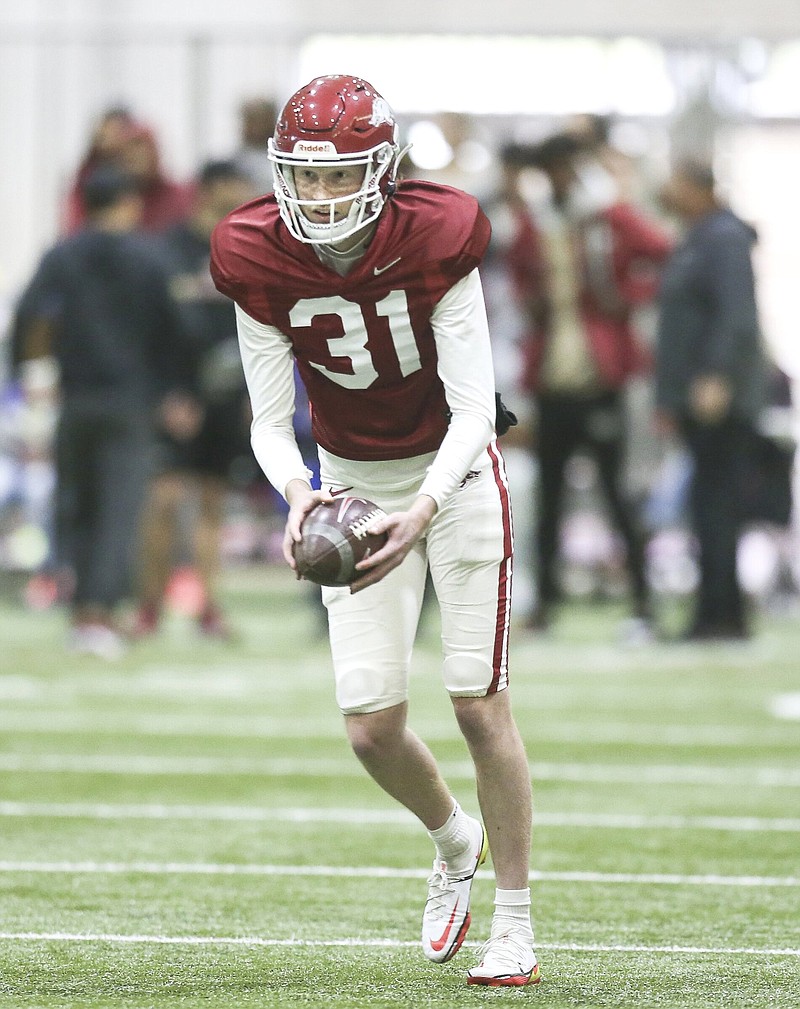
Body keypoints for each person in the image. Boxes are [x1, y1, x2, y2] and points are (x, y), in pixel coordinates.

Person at [210, 75, 540, 987]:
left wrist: (426, 506)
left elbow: (476, 407)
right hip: (353, 482)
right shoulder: (253, 253)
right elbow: (270, 422)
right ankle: (451, 837)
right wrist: (298, 495)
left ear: (383, 169)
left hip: (457, 473)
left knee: (478, 703)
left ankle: (513, 923)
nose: (318, 196)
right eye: (304, 177)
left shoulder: (437, 232)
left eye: (338, 175)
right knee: (369, 727)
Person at [12, 165, 197, 658]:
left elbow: (29, 318)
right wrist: (176, 391)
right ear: (127, 204)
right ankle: (103, 614)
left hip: (74, 400)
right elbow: (177, 330)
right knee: (120, 510)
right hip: (131, 404)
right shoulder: (149, 258)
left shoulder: (61, 255)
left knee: (77, 507)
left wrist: (30, 373)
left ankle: (80, 612)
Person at [515, 133, 672, 636]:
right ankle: (547, 602)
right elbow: (518, 279)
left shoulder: (607, 217)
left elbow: (664, 254)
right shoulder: (535, 223)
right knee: (549, 498)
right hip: (552, 379)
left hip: (600, 378)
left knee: (616, 493)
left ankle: (643, 599)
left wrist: (625, 298)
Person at [134, 159, 255, 639]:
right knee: (162, 501)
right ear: (209, 190)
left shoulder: (246, 247)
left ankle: (208, 607)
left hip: (226, 396)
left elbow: (258, 326)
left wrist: (254, 395)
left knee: (212, 501)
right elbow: (148, 330)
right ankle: (149, 607)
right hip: (175, 397)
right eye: (238, 186)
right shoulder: (165, 251)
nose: (247, 194)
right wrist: (168, 393)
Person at [655, 158, 768, 641]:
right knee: (707, 506)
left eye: (675, 181)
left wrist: (715, 377)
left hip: (718, 397)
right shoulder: (699, 236)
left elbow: (735, 314)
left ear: (698, 188)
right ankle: (716, 612)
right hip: (698, 397)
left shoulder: (723, 238)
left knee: (718, 506)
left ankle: (722, 616)